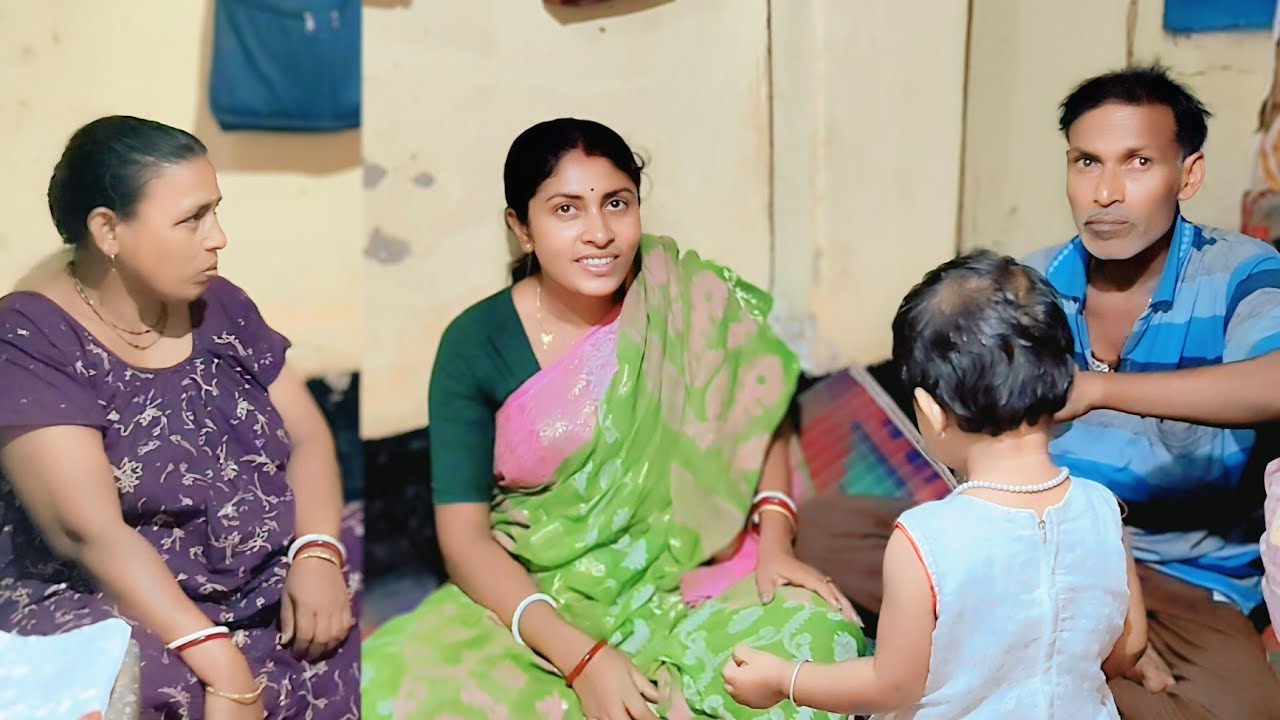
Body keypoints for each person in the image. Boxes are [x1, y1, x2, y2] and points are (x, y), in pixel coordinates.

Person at [799, 66, 1280, 719]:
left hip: (1182, 580)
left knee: (1248, 710)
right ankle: (1058, 660)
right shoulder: (1032, 282)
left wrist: (1101, 390)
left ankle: (1036, 660)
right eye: (1086, 162)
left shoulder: (1240, 272)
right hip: (1024, 544)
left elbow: (1272, 382)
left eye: (1137, 163)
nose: (1105, 192)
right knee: (826, 528)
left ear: (1187, 176)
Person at [360, 118, 865, 719]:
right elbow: (464, 538)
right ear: (521, 228)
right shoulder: (476, 344)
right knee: (388, 695)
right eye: (566, 209)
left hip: (695, 585)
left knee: (821, 645)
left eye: (617, 203)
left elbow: (760, 412)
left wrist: (776, 545)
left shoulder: (679, 297)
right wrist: (583, 659)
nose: (599, 232)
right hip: (544, 604)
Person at [0, 116, 361, 719]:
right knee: (143, 688)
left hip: (262, 576)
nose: (218, 238)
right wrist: (221, 663)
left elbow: (308, 438)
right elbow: (88, 533)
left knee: (355, 611)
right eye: (192, 218)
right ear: (108, 230)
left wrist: (318, 553)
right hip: (128, 602)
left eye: (215, 212)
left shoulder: (219, 304)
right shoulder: (31, 339)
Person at [723, 251, 1145, 718]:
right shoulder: (1103, 510)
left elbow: (892, 685)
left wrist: (784, 679)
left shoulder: (924, 540)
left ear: (931, 412)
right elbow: (1130, 646)